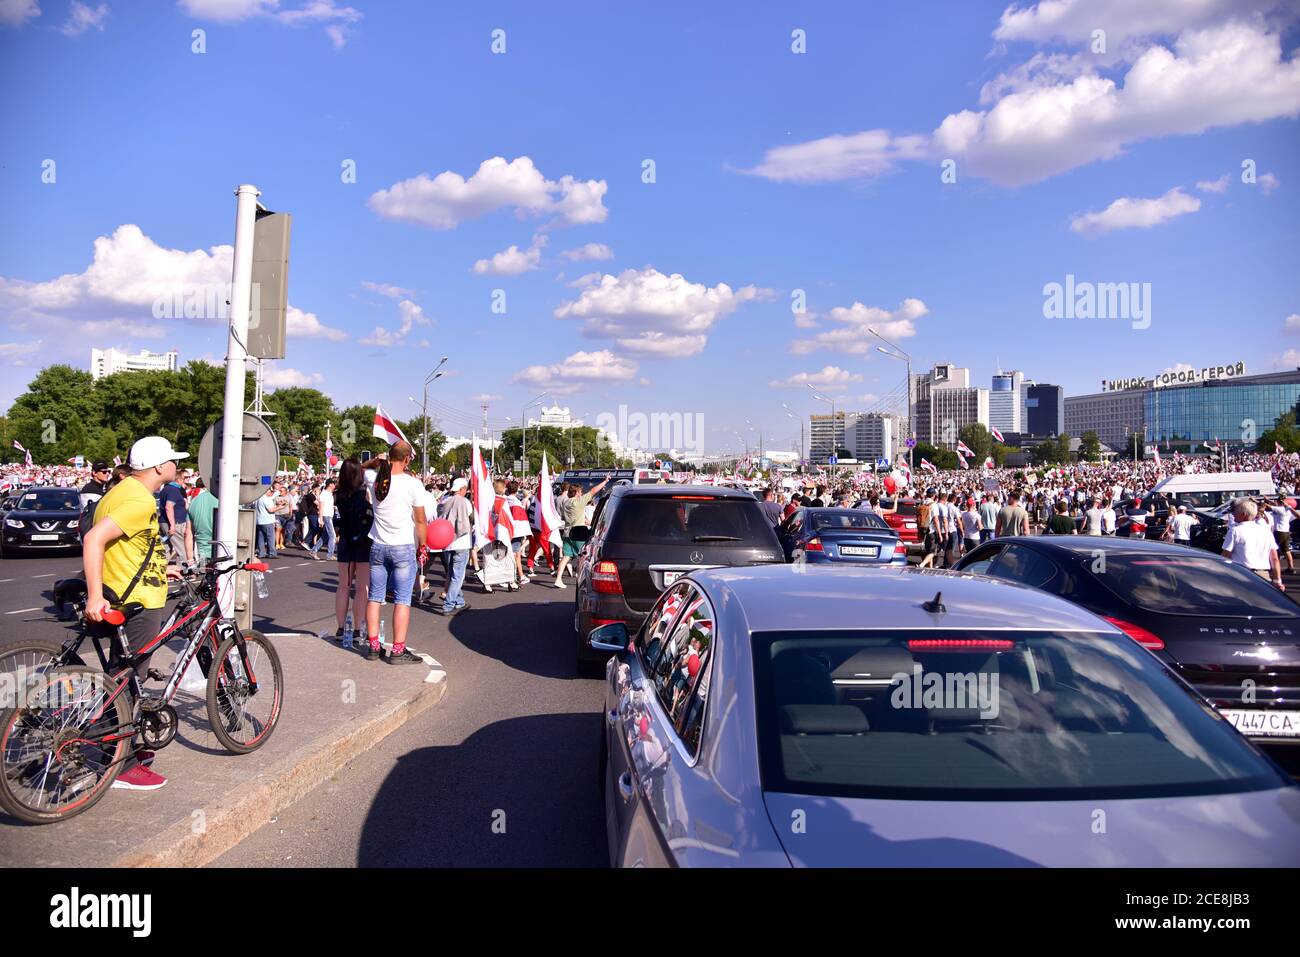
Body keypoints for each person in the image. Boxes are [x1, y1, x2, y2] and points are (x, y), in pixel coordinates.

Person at [81, 436, 187, 792]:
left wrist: (162, 568)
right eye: (174, 461)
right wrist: (94, 595)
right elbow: (95, 539)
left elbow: (128, 546)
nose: (178, 466)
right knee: (128, 681)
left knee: (120, 677)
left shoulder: (119, 490)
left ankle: (110, 746)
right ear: (159, 467)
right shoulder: (141, 500)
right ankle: (120, 765)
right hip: (136, 600)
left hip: (127, 588)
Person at [360, 442, 427, 664]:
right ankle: (398, 650)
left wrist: (377, 461)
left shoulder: (375, 478)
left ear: (389, 457)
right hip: (402, 547)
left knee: (375, 597)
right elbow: (420, 520)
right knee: (402, 599)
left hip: (378, 545)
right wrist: (423, 545)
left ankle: (373, 646)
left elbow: (360, 468)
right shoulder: (412, 484)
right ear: (407, 459)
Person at [333, 459, 372, 647]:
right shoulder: (364, 494)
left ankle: (340, 628)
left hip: (345, 541)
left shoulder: (338, 494)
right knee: (361, 588)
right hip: (363, 542)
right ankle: (358, 629)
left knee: (343, 586)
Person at [554, 474, 611, 588]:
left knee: (566, 557)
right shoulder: (579, 502)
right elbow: (593, 491)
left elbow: (564, 518)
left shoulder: (565, 503)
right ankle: (582, 580)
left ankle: (558, 579)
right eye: (580, 491)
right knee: (582, 557)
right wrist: (605, 481)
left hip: (566, 532)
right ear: (577, 493)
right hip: (578, 532)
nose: (581, 493)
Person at [1221, 498, 1284, 591]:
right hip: (1263, 575)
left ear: (1243, 515)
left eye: (1235, 512)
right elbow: (1274, 559)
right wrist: (1277, 580)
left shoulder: (1235, 531)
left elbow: (1226, 556)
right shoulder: (1266, 531)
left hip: (1241, 574)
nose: (1233, 514)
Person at [438, 477, 474, 616]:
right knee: (457, 576)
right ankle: (448, 605)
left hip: (446, 541)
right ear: (462, 489)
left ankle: (459, 602)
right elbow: (471, 518)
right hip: (462, 541)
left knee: (453, 574)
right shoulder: (464, 501)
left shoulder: (444, 500)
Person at [158, 473, 191, 565]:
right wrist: (172, 525)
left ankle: (161, 568)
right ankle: (184, 572)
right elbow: (169, 507)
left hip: (164, 521)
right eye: (183, 479)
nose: (184, 481)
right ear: (178, 480)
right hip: (174, 522)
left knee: (166, 547)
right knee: (181, 549)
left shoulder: (166, 489)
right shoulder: (174, 490)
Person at [188, 478, 218, 563]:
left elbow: (188, 533)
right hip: (225, 552)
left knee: (204, 574)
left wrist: (190, 560)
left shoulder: (195, 501)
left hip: (203, 555)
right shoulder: (228, 500)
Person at [1269, 497, 1299, 573]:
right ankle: (1290, 567)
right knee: (1286, 550)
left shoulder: (1280, 510)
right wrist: (1268, 500)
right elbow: (1274, 505)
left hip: (1279, 532)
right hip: (1285, 532)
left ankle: (1276, 567)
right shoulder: (1287, 510)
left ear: (1280, 502)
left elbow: (1268, 506)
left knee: (1276, 549)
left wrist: (1261, 502)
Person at [313, 478, 337, 561]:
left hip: (329, 515)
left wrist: (334, 507)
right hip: (326, 516)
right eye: (334, 484)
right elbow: (321, 507)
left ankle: (313, 550)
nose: (335, 485)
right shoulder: (324, 494)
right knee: (332, 535)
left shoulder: (330, 494)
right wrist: (321, 518)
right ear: (330, 484)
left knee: (325, 536)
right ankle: (330, 555)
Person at [255, 485, 278, 558]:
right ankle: (272, 553)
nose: (271, 493)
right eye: (271, 491)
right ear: (266, 490)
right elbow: (271, 510)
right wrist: (281, 507)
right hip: (267, 521)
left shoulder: (258, 498)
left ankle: (261, 553)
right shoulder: (266, 499)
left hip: (259, 521)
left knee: (260, 538)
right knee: (270, 537)